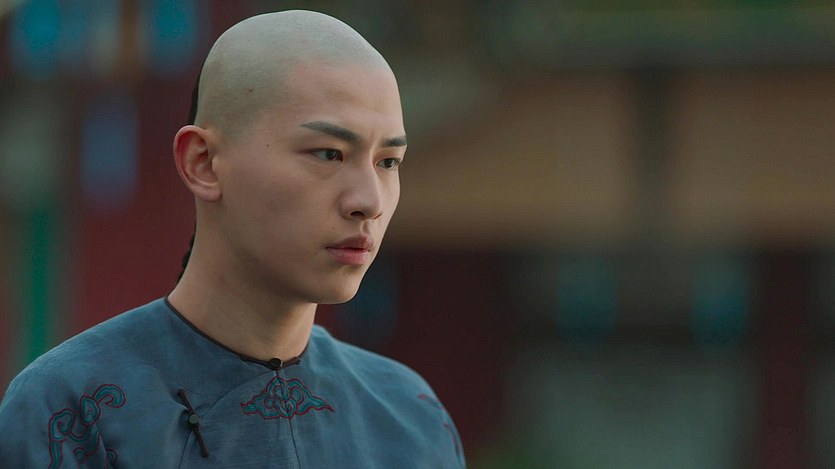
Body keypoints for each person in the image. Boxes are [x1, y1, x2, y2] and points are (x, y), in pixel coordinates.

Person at [0, 10, 465, 468]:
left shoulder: (410, 420)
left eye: (388, 162)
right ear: (203, 163)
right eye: (329, 153)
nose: (369, 201)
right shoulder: (72, 411)